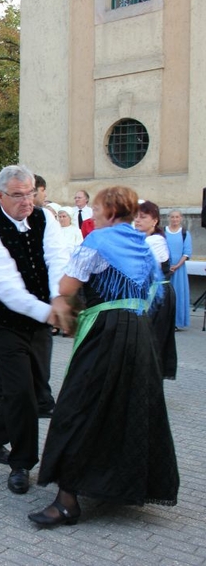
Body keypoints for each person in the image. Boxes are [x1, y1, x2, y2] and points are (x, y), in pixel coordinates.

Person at [29, 186, 179, 527]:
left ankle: (67, 502)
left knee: (78, 407)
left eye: (96, 211)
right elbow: (153, 292)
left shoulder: (99, 241)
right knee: (128, 407)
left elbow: (68, 287)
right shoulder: (143, 244)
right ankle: (119, 484)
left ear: (111, 213)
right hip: (139, 332)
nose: (93, 216)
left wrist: (61, 300)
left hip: (108, 331)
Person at [0, 165, 68, 495]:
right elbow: (7, 288)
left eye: (30, 193)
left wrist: (57, 298)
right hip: (1, 321)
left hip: (38, 319)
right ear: (0, 196)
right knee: (22, 392)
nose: (27, 201)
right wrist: (50, 312)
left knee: (36, 385)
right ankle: (22, 463)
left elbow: (57, 259)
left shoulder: (45, 219)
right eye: (18, 195)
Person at [135, 201, 178, 380]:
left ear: (154, 221)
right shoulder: (142, 239)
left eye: (143, 217)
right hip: (149, 294)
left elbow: (146, 268)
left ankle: (151, 383)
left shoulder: (156, 240)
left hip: (158, 296)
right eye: (136, 216)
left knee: (154, 340)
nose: (137, 220)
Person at [165, 210, 191, 329]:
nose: (175, 219)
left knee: (178, 294)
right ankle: (164, 321)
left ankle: (177, 322)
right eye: (172, 217)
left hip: (179, 270)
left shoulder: (185, 233)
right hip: (165, 269)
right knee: (164, 295)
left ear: (180, 218)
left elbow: (186, 252)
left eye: (177, 217)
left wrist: (177, 265)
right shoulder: (163, 232)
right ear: (169, 218)